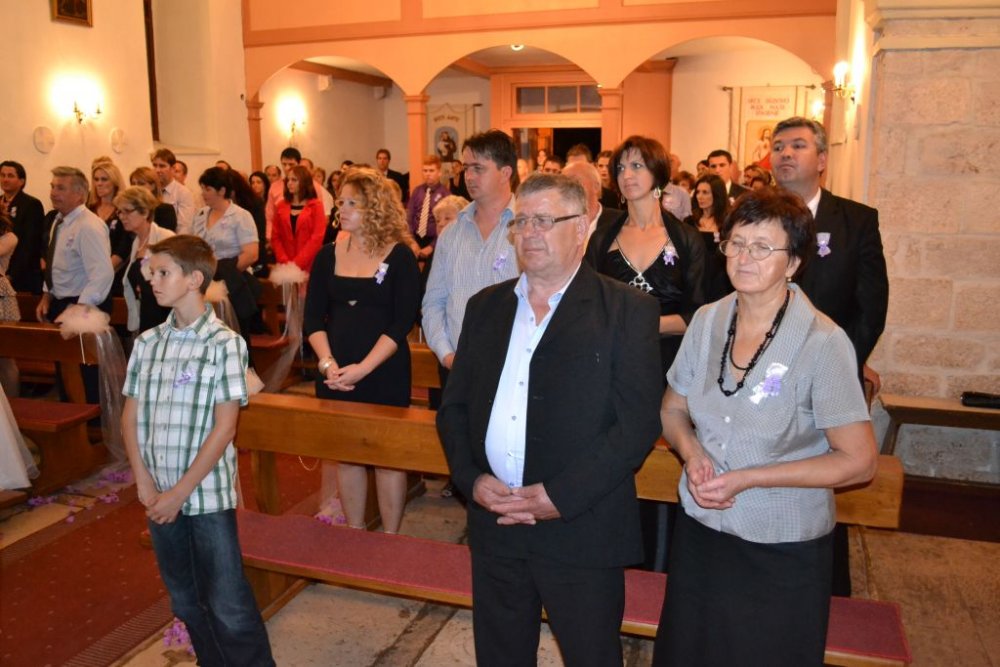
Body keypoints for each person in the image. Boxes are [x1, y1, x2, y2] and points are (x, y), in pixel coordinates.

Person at [438, 173, 662, 667]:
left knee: (590, 656)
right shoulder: (486, 307)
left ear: (580, 228)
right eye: (521, 222)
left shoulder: (626, 310)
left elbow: (637, 426)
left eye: (544, 220)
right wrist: (471, 481)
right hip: (497, 521)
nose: (529, 233)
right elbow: (454, 409)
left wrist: (559, 497)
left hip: (580, 527)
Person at [651, 189, 878, 667]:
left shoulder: (822, 342)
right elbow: (672, 410)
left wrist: (750, 477)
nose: (743, 257)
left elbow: (859, 462)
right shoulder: (707, 321)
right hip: (702, 533)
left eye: (762, 247)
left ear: (793, 262)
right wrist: (693, 454)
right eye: (735, 243)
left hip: (781, 547)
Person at [121, 235, 275, 667]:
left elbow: (225, 428)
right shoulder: (148, 343)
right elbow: (129, 417)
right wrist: (144, 480)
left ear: (194, 279)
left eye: (162, 272)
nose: (152, 280)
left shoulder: (224, 344)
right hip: (157, 494)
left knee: (228, 604)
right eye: (152, 272)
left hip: (204, 496)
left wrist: (179, 493)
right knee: (186, 600)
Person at [771, 116, 889, 598]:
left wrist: (838, 368)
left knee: (820, 485)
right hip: (764, 376)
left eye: (797, 145)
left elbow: (870, 308)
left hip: (828, 378)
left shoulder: (856, 220)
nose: (785, 153)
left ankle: (823, 591)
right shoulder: (755, 215)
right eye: (778, 146)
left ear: (821, 159)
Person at [585, 135, 704, 573]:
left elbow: (699, 313)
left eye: (637, 166)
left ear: (658, 173)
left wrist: (644, 325)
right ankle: (613, 548)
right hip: (614, 363)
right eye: (620, 167)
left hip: (669, 362)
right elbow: (588, 301)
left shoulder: (686, 239)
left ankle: (662, 560)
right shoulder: (604, 236)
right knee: (616, 450)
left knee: (663, 452)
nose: (627, 175)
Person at [303, 167, 420, 533]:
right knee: (348, 456)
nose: (343, 209)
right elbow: (313, 319)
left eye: (353, 203)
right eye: (341, 202)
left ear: (376, 207)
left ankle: (390, 539)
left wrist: (363, 368)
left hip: (382, 369)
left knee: (387, 459)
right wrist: (328, 365)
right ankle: (355, 533)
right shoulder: (328, 255)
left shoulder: (400, 256)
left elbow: (402, 323)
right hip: (336, 371)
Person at [422, 130, 521, 403]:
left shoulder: (528, 228)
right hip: (456, 367)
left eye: (478, 168)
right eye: (466, 168)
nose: (469, 176)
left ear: (505, 172)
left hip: (511, 370)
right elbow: (433, 302)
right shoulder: (451, 233)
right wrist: (446, 354)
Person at [191, 167, 260, 354]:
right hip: (204, 277)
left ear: (221, 191)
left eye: (207, 189)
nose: (203, 193)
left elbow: (251, 254)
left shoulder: (240, 216)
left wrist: (222, 272)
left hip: (234, 277)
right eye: (202, 188)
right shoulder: (200, 215)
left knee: (232, 332)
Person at [36, 167, 113, 323]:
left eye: (60, 188)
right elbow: (56, 266)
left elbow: (102, 273)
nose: (53, 193)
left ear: (79, 195)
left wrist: (81, 307)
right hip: (60, 302)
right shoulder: (58, 221)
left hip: (82, 304)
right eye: (52, 187)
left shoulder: (89, 226)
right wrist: (47, 296)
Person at [116, 186, 175, 335]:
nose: (122, 216)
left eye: (127, 211)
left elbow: (176, 279)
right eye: (120, 212)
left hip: (165, 317)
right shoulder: (136, 242)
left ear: (145, 212)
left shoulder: (165, 237)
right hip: (146, 314)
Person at [685, 173, 732, 302]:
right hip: (695, 280)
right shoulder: (689, 222)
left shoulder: (728, 222)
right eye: (698, 192)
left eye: (705, 192)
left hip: (720, 282)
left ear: (717, 195)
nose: (700, 196)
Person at [0, 160, 46, 293]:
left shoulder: (31, 204)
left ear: (21, 181)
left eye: (10, 176)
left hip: (21, 275)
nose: (5, 179)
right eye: (2, 175)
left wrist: (11, 275)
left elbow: (30, 244)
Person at [271, 165, 326, 273]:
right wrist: (284, 261)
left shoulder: (316, 205)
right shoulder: (281, 205)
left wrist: (297, 263)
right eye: (288, 180)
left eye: (294, 180)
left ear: (304, 182)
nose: (289, 183)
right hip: (285, 264)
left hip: (309, 264)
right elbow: (275, 237)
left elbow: (317, 237)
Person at [88, 159, 131, 296]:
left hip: (114, 273)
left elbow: (124, 246)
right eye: (96, 179)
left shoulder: (123, 210)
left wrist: (103, 272)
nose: (99, 183)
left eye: (104, 179)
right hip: (87, 273)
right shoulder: (89, 209)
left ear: (115, 182)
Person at [404, 155, 450, 263]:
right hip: (415, 238)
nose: (428, 174)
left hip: (435, 240)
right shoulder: (417, 191)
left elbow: (447, 227)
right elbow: (409, 217)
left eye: (431, 170)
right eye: (425, 170)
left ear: (439, 172)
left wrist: (432, 247)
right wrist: (412, 242)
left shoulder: (446, 194)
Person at [152, 148, 195, 234]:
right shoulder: (151, 190)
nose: (157, 170)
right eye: (155, 165)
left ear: (173, 168)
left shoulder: (183, 193)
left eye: (162, 166)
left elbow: (184, 227)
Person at [129, 167, 178, 232]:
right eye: (133, 184)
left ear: (153, 186)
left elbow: (165, 235)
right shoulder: (127, 210)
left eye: (141, 184)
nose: (136, 187)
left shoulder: (165, 210)